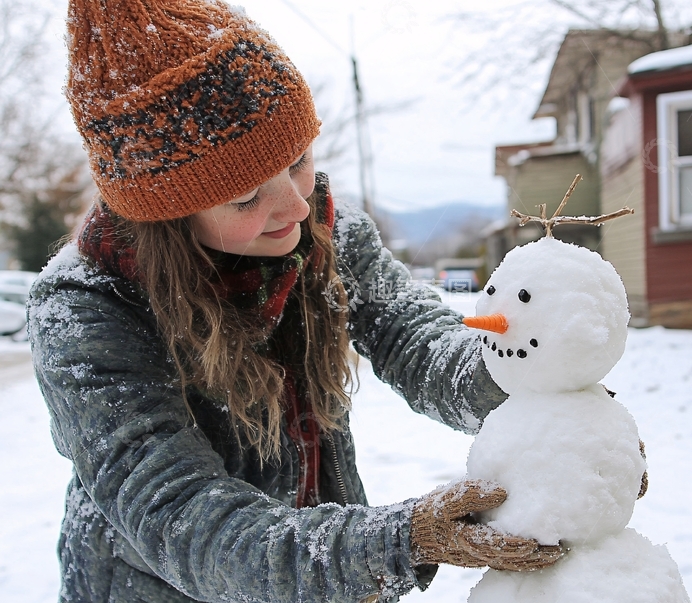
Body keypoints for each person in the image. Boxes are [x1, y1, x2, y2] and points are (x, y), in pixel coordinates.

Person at [28, 1, 563, 601]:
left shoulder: (326, 234)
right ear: (167, 214)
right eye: (247, 195)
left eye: (299, 161)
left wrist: (538, 381)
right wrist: (395, 541)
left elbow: (416, 339)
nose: (297, 208)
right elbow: (184, 519)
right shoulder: (88, 309)